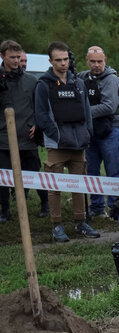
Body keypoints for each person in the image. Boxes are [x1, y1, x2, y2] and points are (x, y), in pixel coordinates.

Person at [35, 42, 101, 242]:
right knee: (54, 186)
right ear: (50, 61)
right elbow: (41, 115)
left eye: (66, 59)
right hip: (57, 144)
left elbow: (87, 111)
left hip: (79, 143)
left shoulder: (78, 83)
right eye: (58, 60)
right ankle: (56, 225)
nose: (63, 63)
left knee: (79, 185)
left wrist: (87, 133)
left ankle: (81, 222)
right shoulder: (43, 84)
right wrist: (56, 135)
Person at [0, 40, 48, 222]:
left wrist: (37, 125)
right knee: (3, 177)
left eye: (18, 57)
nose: (16, 61)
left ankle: (45, 204)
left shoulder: (31, 81)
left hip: (27, 136)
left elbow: (39, 108)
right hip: (3, 137)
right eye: (12, 57)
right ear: (2, 56)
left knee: (34, 173)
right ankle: (4, 210)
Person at [78, 46, 119, 217]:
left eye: (100, 61)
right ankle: (96, 206)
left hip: (111, 129)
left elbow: (109, 107)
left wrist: (82, 112)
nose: (96, 65)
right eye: (92, 61)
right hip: (91, 131)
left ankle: (115, 207)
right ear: (87, 61)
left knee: (112, 169)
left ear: (105, 60)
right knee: (92, 169)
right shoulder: (82, 77)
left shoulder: (112, 80)